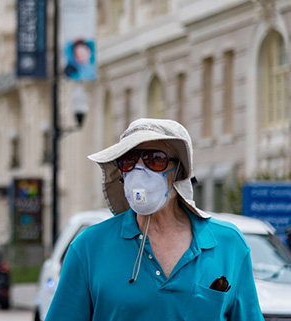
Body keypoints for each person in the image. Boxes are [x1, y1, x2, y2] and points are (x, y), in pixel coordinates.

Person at [45, 118, 263, 320]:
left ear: (179, 171)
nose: (139, 171)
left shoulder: (228, 243)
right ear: (121, 172)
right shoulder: (89, 247)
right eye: (129, 161)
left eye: (155, 159)